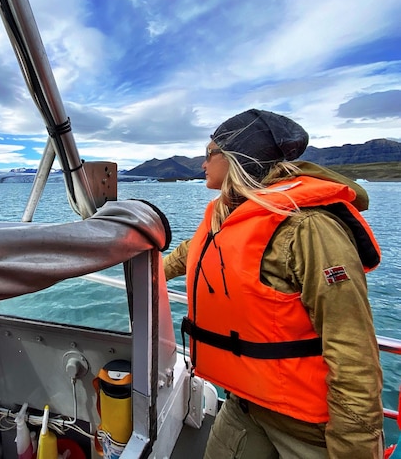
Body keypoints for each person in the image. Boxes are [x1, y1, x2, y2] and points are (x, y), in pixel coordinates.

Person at [164, 109, 384, 458]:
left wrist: (354, 445)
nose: (202, 164)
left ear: (236, 157)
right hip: (246, 400)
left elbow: (351, 347)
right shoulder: (229, 214)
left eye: (208, 154)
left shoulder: (309, 226)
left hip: (305, 422)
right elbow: (188, 254)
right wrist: (141, 270)